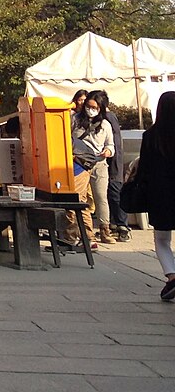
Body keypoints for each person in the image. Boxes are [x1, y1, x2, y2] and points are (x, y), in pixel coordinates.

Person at [136, 91, 175, 300]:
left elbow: (144, 168)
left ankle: (171, 276)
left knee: (162, 239)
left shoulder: (151, 136)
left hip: (160, 194)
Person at [67, 92, 113, 248]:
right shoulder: (75, 120)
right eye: (88, 106)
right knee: (80, 200)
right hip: (79, 164)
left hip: (99, 164)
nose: (90, 110)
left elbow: (111, 145)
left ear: (101, 108)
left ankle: (104, 229)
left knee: (100, 198)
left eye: (94, 107)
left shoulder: (106, 125)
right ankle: (83, 235)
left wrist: (108, 151)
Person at [95, 90, 131, 241]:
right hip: (109, 159)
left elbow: (115, 142)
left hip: (113, 160)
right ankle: (115, 225)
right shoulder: (106, 117)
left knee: (115, 192)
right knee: (109, 193)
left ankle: (123, 226)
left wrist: (112, 158)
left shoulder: (108, 118)